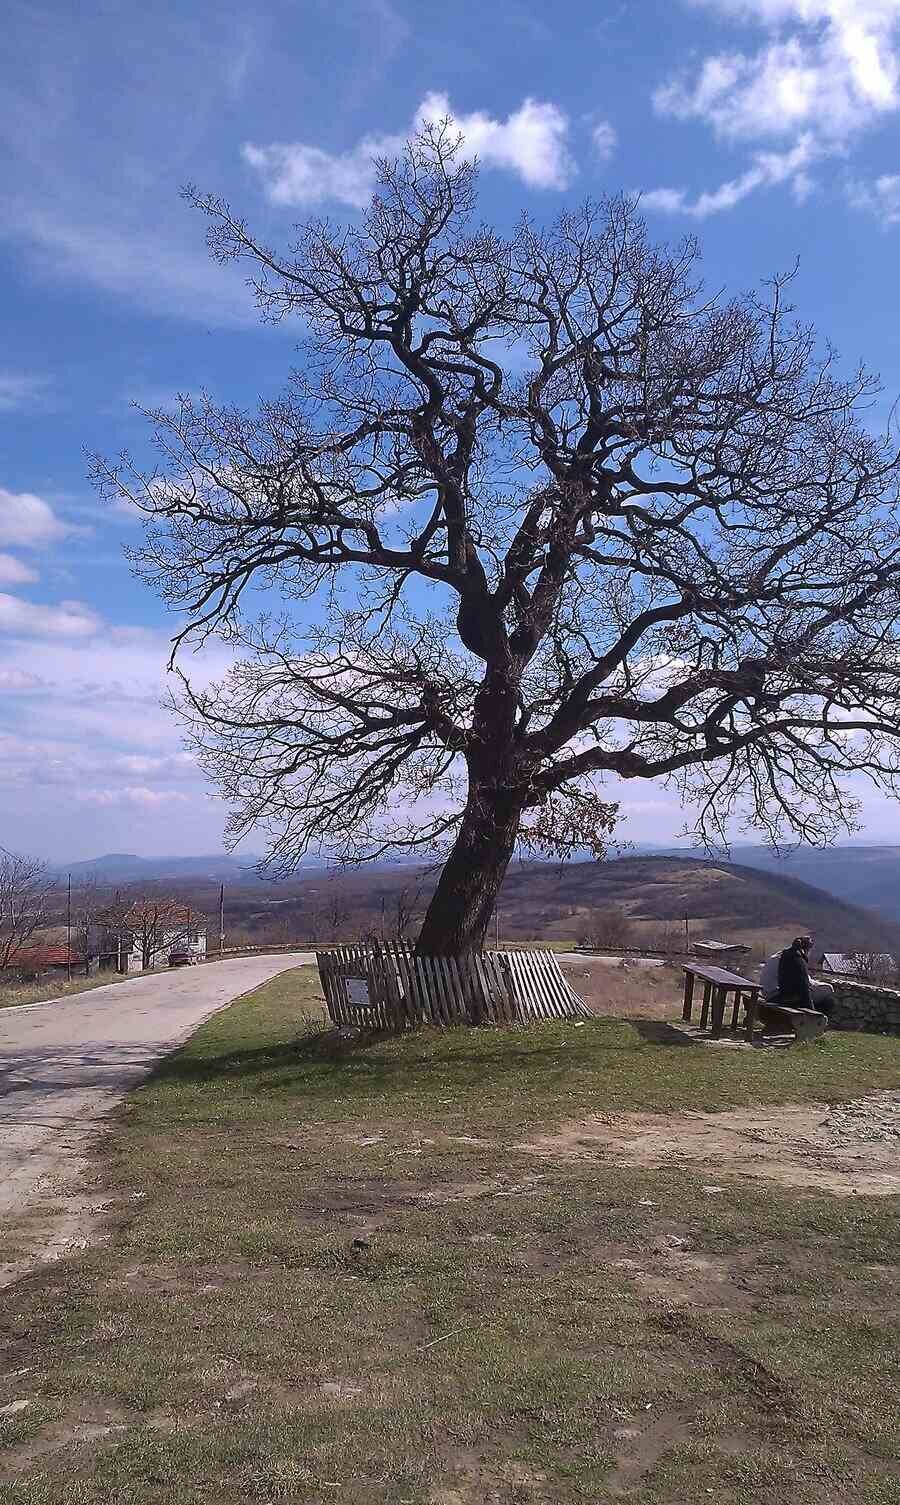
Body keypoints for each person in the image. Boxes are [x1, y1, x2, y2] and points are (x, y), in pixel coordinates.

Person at [759, 936, 834, 1016]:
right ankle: (813, 1023)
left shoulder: (783, 955)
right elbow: (803, 985)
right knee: (828, 992)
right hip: (777, 996)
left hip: (767, 992)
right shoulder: (796, 959)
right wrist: (811, 1010)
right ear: (807, 949)